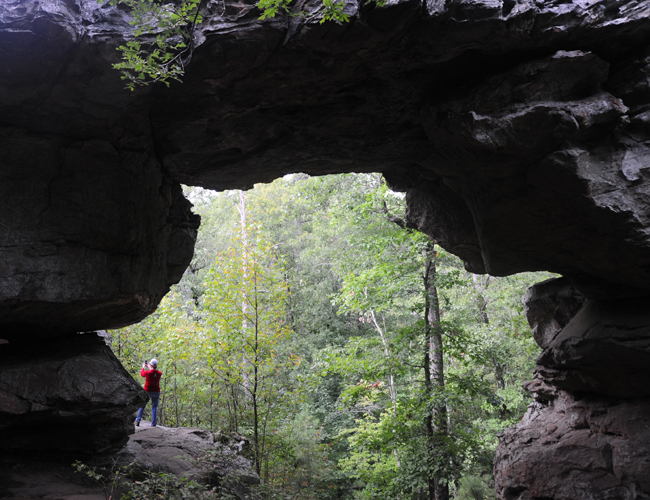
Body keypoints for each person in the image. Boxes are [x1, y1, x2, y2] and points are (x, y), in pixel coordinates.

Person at [135, 359, 162, 427]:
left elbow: (142, 374)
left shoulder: (147, 373)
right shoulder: (159, 373)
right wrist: (150, 367)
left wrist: (143, 367)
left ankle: (138, 420)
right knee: (154, 408)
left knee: (142, 406)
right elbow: (154, 372)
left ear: (150, 365)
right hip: (156, 391)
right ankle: (153, 424)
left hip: (147, 391)